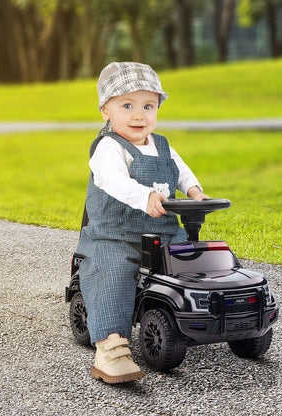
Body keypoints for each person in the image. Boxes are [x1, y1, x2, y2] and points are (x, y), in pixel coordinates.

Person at [76, 62, 207, 384]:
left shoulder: (162, 145)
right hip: (113, 235)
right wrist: (144, 196)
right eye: (127, 106)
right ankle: (111, 347)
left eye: (148, 106)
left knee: (198, 261)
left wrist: (194, 191)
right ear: (106, 110)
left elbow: (181, 171)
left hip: (163, 232)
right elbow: (112, 181)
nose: (139, 116)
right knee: (113, 273)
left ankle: (207, 314)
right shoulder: (109, 147)